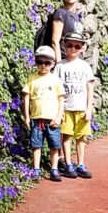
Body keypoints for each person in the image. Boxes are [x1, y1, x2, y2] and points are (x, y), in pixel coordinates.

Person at [22, 45, 66, 182]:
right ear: (35, 62)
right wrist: (27, 117)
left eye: (47, 63)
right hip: (36, 119)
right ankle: (36, 169)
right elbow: (26, 98)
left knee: (54, 145)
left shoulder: (56, 80)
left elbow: (61, 100)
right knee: (36, 145)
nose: (43, 66)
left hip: (52, 120)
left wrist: (59, 116)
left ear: (53, 64)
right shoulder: (32, 79)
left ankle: (54, 169)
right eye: (40, 62)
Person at [56, 31, 95, 178]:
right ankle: (68, 164)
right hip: (66, 108)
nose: (73, 49)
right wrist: (59, 111)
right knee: (66, 136)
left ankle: (81, 164)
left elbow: (90, 88)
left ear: (82, 48)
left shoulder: (84, 66)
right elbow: (56, 89)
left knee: (81, 137)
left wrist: (89, 108)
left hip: (81, 108)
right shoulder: (60, 67)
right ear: (64, 46)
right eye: (70, 45)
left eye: (77, 46)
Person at [42, 0, 83, 65]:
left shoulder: (76, 17)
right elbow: (55, 41)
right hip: (65, 62)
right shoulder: (60, 13)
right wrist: (59, 65)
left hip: (76, 63)